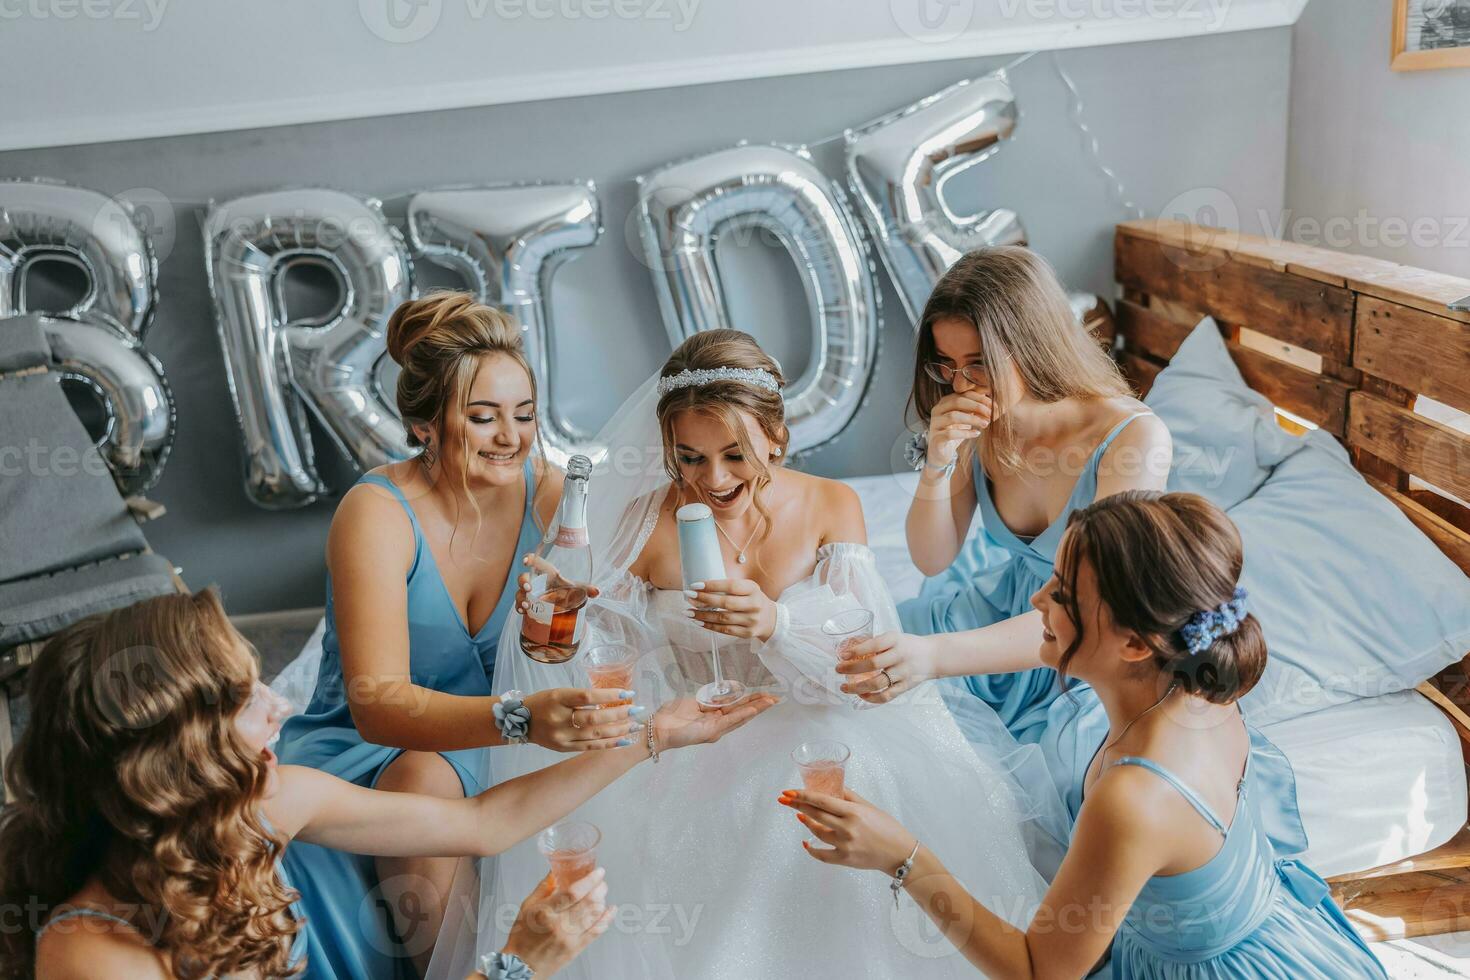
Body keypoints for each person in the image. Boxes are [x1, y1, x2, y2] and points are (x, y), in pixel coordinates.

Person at [431, 330, 1057, 980]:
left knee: (844, 781)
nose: (715, 479)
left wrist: (776, 624)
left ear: (776, 437)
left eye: (735, 454)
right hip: (692, 734)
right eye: (691, 458)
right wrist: (567, 612)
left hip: (825, 717)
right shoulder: (644, 524)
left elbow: (859, 665)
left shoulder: (829, 506)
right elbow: (598, 667)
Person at [1, 589, 770, 980]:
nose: (283, 707)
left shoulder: (267, 805)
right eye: (246, 699)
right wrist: (514, 965)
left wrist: (655, 737)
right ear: (176, 748)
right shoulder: (91, 951)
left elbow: (485, 824)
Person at [793, 492, 1387, 978]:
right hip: (1271, 940)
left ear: (1135, 644)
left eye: (1063, 595)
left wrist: (902, 856)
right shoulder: (1201, 689)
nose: (1036, 600)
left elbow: (1038, 972)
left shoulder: (1136, 796)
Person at [274, 293, 631, 974]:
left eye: (524, 415)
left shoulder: (551, 495)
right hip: (364, 744)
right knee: (420, 777)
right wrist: (525, 717)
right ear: (424, 425)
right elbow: (378, 705)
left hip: (500, 742)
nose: (511, 437)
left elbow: (635, 573)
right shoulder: (375, 513)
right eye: (483, 416)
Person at [899, 246, 1171, 744]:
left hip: (1080, 642)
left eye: (979, 364)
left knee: (1062, 773)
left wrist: (935, 656)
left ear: (1032, 344)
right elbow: (932, 560)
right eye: (947, 365)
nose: (961, 384)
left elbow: (1097, 607)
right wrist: (937, 461)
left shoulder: (1132, 439)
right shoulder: (976, 423)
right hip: (993, 619)